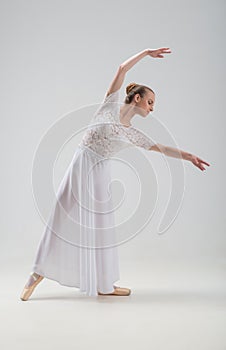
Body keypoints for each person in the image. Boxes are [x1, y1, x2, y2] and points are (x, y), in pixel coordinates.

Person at [20, 47, 210, 301]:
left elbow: (162, 148)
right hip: (81, 164)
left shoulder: (133, 133)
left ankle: (103, 283)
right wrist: (145, 53)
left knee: (100, 228)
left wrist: (188, 156)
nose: (152, 108)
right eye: (150, 102)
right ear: (137, 98)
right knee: (61, 218)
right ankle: (37, 273)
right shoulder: (108, 106)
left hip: (100, 175)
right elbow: (121, 69)